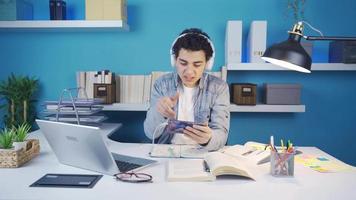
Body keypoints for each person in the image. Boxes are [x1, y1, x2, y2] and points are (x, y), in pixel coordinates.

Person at [144, 28, 230, 151]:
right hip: (168, 152)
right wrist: (159, 113)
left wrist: (209, 138)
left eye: (197, 64)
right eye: (183, 63)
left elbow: (222, 135)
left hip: (203, 153)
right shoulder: (162, 84)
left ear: (207, 63)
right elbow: (149, 132)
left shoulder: (219, 88)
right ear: (174, 61)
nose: (189, 72)